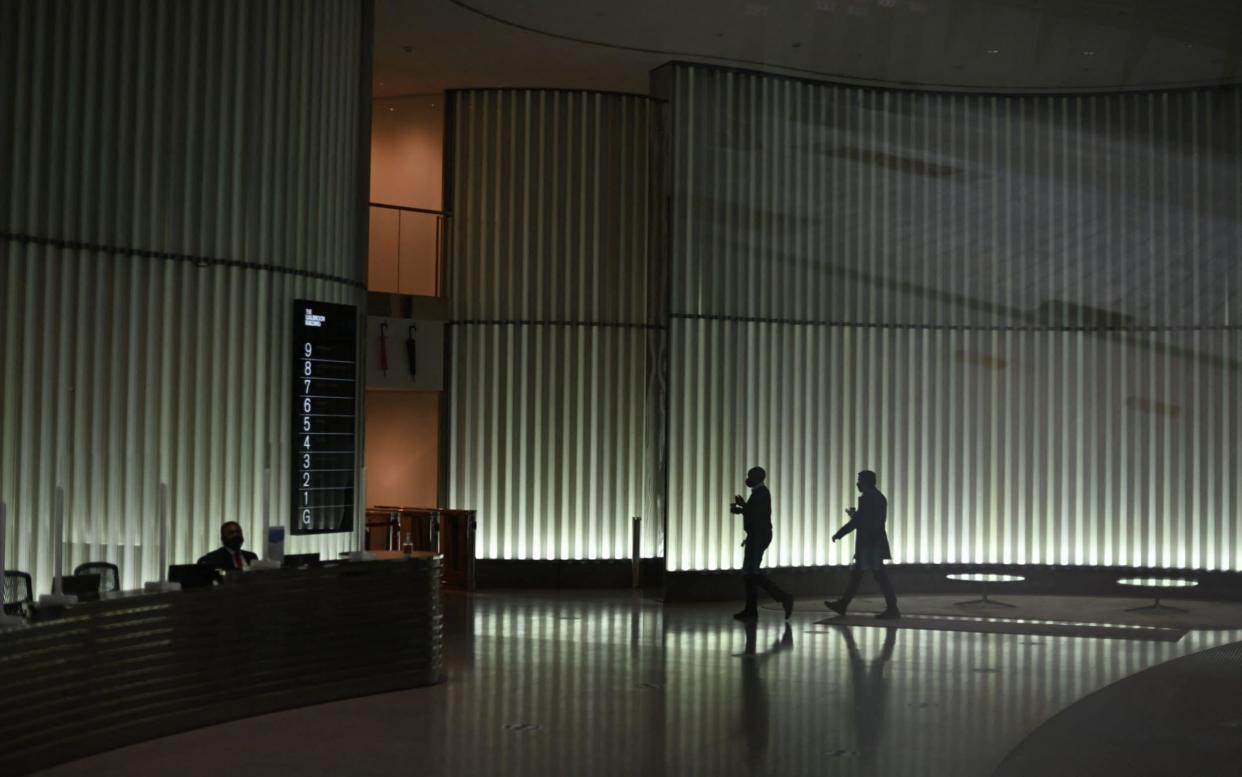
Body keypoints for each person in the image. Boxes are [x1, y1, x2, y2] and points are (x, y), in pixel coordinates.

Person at [825, 470, 900, 619]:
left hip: (869, 544)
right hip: (873, 542)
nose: (857, 483)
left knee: (876, 576)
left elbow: (860, 522)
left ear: (865, 482)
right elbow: (869, 519)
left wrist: (840, 533)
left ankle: (892, 608)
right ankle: (844, 604)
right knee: (863, 575)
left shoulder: (868, 498)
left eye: (859, 480)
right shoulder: (877, 497)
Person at [731, 466, 794, 621]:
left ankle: (783, 597)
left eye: (750, 476)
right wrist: (743, 508)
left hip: (758, 536)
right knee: (749, 574)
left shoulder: (761, 494)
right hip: (757, 535)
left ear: (757, 478)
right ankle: (752, 610)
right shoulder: (760, 493)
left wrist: (743, 506)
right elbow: (755, 513)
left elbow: (756, 514)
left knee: (751, 573)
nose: (748, 479)